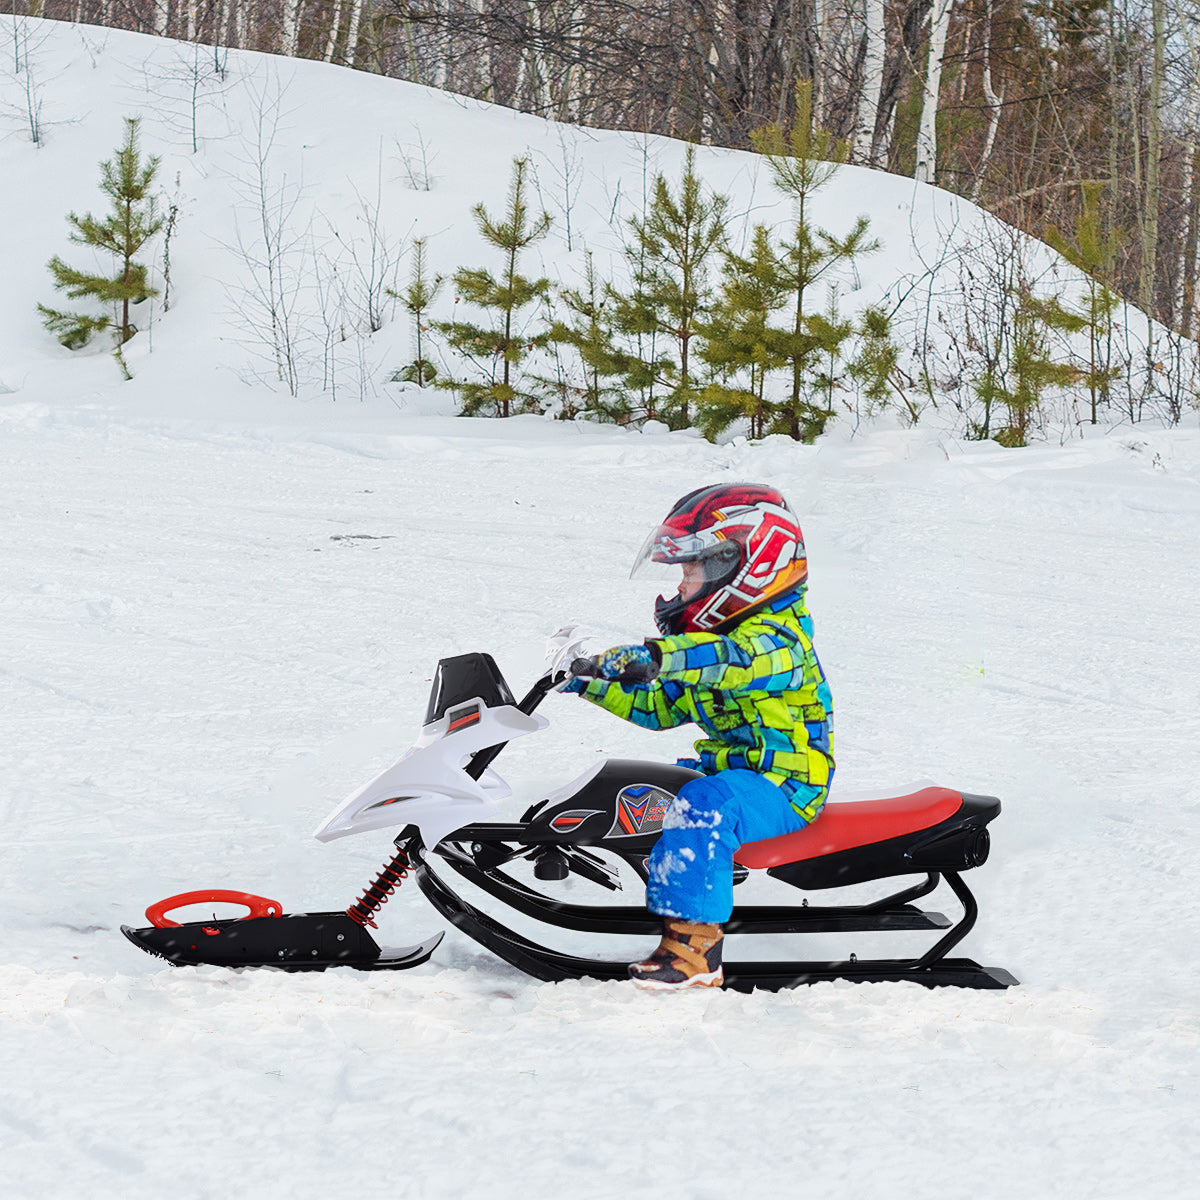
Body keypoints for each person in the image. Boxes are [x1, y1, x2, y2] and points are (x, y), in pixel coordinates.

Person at [562, 483, 834, 990]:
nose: (680, 587)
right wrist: (590, 683)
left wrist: (659, 658)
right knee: (653, 786)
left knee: (701, 804)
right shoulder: (716, 648)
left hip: (786, 786)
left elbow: (728, 661)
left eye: (690, 571)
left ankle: (695, 950)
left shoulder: (777, 642)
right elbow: (660, 707)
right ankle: (687, 886)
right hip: (733, 774)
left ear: (747, 568)